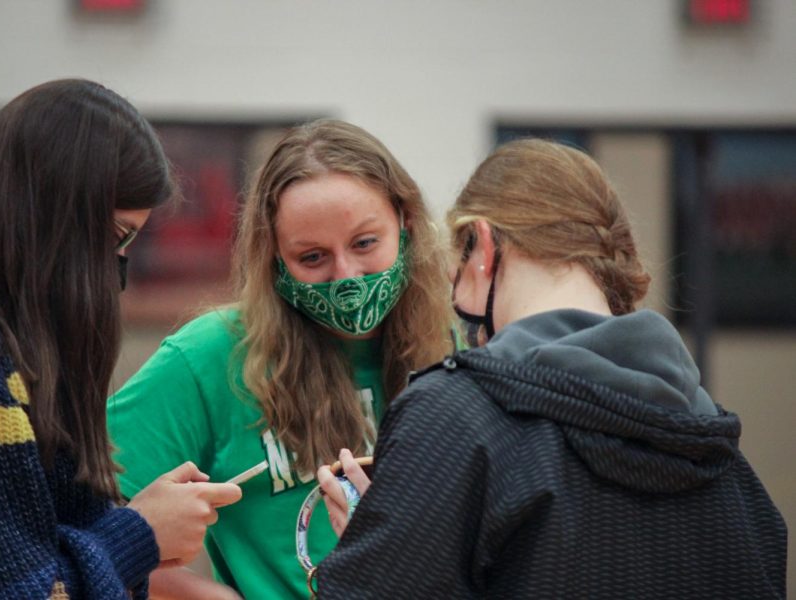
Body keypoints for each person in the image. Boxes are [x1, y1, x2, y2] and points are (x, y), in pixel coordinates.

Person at [316, 138, 788, 599]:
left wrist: (380, 558)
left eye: (454, 279)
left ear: (482, 244)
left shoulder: (452, 417)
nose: (470, 332)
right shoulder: (735, 478)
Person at [0, 79, 242, 600]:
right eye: (113, 236)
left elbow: (29, 555)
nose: (115, 269)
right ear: (52, 210)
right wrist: (140, 534)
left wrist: (142, 526)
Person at [107, 119, 455, 599]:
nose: (346, 276)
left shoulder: (458, 342)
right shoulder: (211, 357)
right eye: (312, 258)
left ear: (407, 223)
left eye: (364, 243)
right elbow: (87, 521)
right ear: (274, 260)